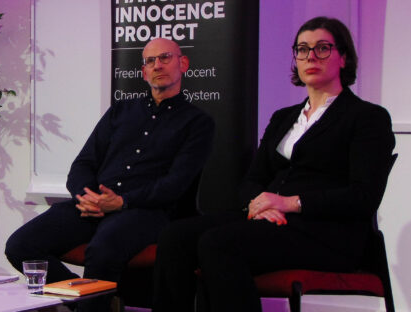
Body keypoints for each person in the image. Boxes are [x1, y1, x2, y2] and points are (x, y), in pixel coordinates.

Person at [152, 17, 396, 312]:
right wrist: (261, 204)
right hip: (274, 223)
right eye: (302, 50)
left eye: (322, 48)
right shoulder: (283, 117)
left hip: (327, 233)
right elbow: (253, 179)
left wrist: (289, 203)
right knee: (175, 237)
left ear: (343, 57)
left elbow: (363, 197)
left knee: (218, 244)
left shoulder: (367, 118)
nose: (310, 57)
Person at [5, 38, 215, 311]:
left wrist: (122, 201)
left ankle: (91, 304)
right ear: (143, 72)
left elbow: (175, 184)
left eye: (165, 58)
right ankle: (88, 302)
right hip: (94, 206)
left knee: (103, 250)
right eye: (150, 61)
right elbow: (83, 164)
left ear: (183, 63)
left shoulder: (198, 123)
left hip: (147, 211)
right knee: (20, 245)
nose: (157, 65)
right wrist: (86, 196)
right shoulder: (121, 111)